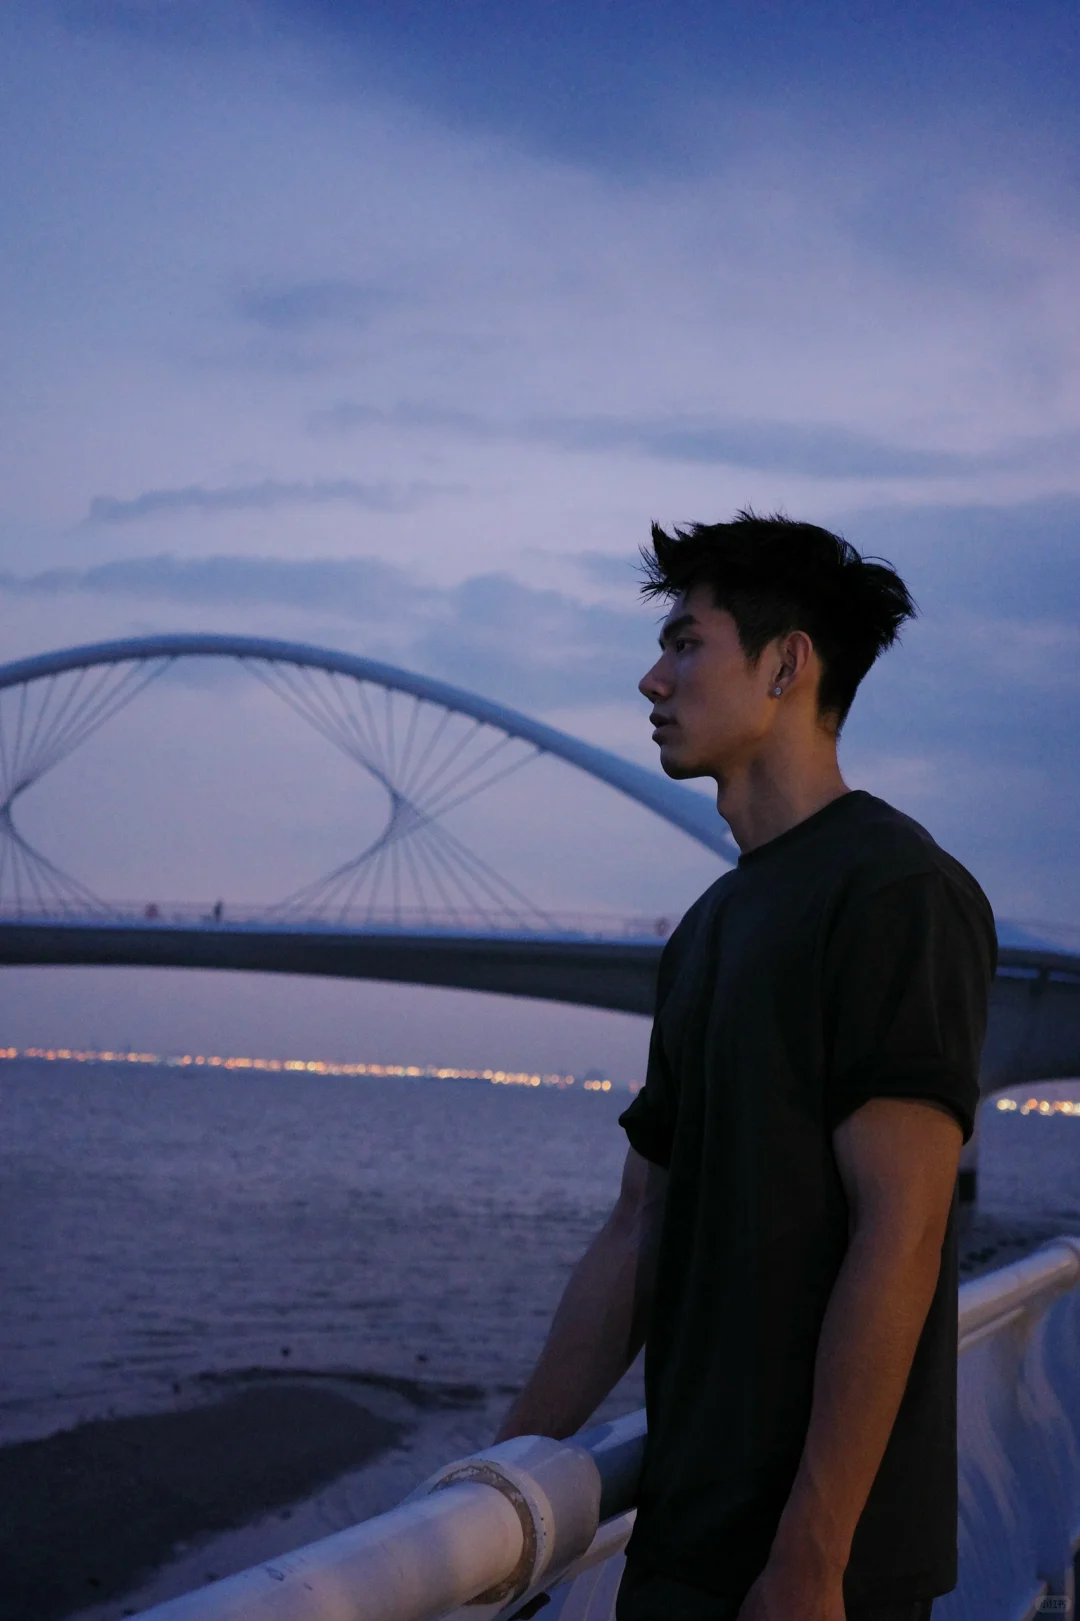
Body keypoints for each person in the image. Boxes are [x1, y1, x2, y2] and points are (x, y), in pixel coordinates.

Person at [496, 512, 996, 1621]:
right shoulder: (709, 928)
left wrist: (813, 1552)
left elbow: (901, 1229)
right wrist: (497, 1471)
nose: (652, 679)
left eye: (686, 643)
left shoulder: (895, 891)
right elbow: (640, 1224)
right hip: (683, 1544)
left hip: (821, 1577)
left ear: (785, 664)